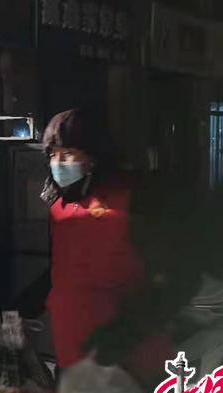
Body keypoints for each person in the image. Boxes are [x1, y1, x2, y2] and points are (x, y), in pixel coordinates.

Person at [37, 108, 177, 378]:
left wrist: (123, 335)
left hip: (129, 365)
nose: (59, 163)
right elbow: (64, 272)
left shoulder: (135, 199)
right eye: (53, 155)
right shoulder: (60, 206)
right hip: (72, 360)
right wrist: (17, 310)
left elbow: (177, 279)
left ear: (94, 155)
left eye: (68, 153)